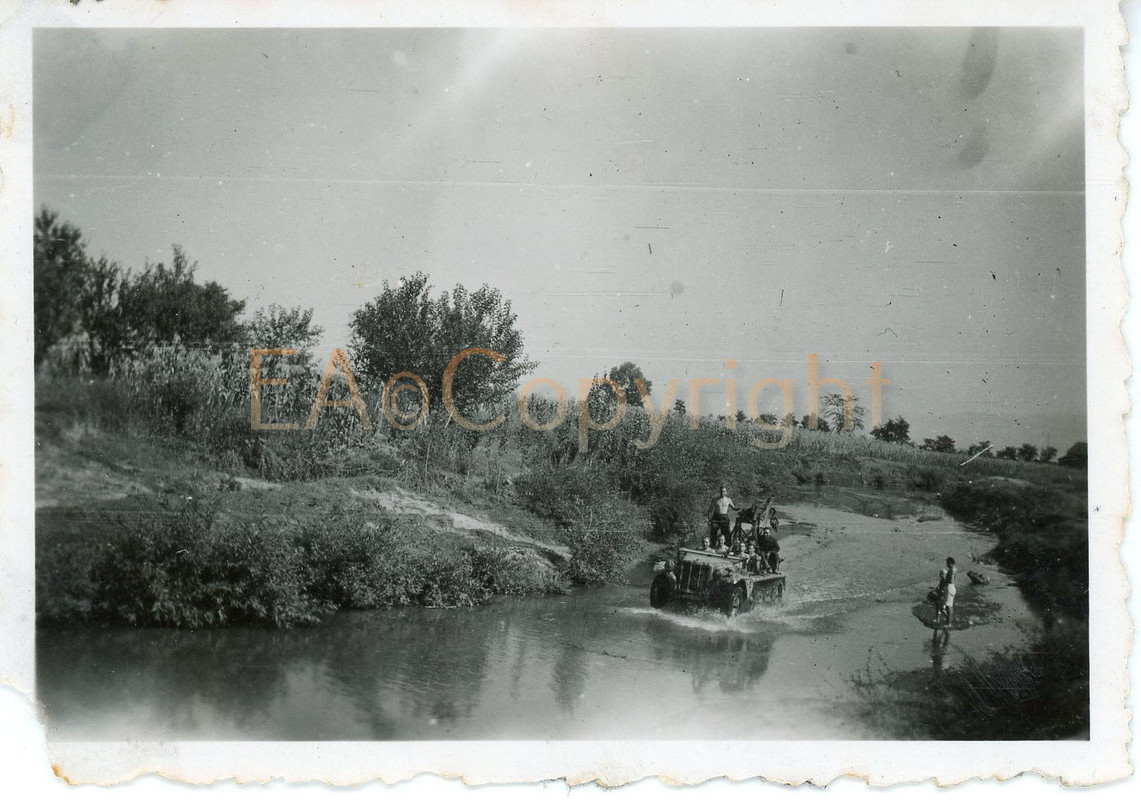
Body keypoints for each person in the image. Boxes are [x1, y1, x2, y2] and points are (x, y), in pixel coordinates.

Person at [940, 557, 958, 626]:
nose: (946, 564)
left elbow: (950, 580)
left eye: (947, 563)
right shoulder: (953, 569)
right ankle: (949, 621)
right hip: (951, 587)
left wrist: (944, 578)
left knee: (949, 606)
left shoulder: (952, 570)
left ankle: (949, 623)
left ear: (950, 563)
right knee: (949, 606)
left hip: (950, 587)